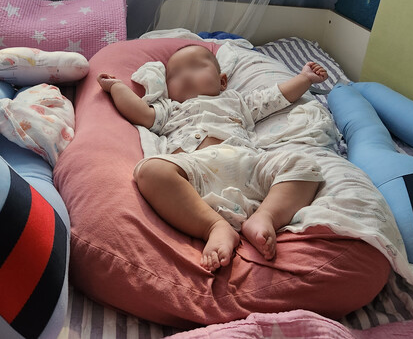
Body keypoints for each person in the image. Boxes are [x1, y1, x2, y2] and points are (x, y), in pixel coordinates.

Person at [97, 45, 328, 271]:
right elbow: (140, 113)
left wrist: (305, 78)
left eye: (196, 67)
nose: (185, 75)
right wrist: (117, 87)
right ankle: (214, 226)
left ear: (222, 81)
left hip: (247, 165)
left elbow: (276, 97)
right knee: (150, 171)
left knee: (304, 166)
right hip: (196, 174)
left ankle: (265, 216)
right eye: (175, 75)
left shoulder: (237, 101)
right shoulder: (170, 109)